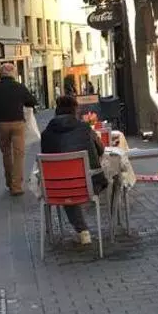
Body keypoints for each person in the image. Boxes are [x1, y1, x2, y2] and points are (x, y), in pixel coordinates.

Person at [40, 95, 108, 245]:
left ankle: (82, 231)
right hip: (89, 184)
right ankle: (113, 224)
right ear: (75, 111)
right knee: (106, 178)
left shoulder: (46, 135)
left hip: (57, 188)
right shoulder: (85, 129)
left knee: (66, 186)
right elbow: (101, 150)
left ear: (56, 112)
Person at [0, 63, 37, 196]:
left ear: (0, 74)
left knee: (6, 153)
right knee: (19, 155)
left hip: (2, 124)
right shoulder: (19, 87)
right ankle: (17, 186)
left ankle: (9, 182)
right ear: (13, 74)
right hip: (17, 123)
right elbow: (32, 101)